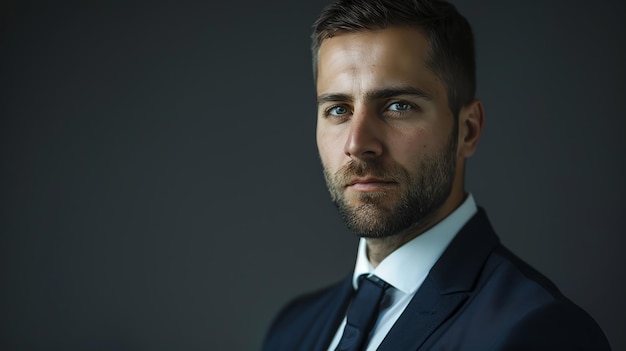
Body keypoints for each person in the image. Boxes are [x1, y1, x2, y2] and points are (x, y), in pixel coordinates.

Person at [262, 0, 611, 350]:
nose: (357, 143)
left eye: (398, 106)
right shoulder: (291, 330)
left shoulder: (542, 331)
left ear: (468, 130)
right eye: (338, 109)